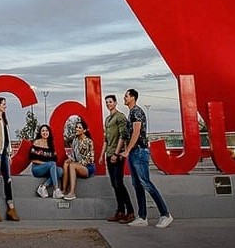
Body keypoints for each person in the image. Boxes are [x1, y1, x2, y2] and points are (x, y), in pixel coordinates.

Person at [120, 88, 173, 228]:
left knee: (146, 183)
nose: (124, 98)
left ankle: (165, 214)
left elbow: (136, 132)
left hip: (139, 152)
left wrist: (128, 150)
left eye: (126, 96)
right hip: (133, 153)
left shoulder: (137, 111)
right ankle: (142, 217)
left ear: (133, 97)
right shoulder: (131, 113)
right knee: (137, 185)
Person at [99, 94, 134, 223]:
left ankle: (130, 211)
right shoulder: (107, 119)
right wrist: (102, 155)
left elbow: (123, 136)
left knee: (119, 183)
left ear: (115, 103)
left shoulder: (120, 117)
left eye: (110, 101)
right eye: (106, 102)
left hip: (117, 155)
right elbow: (106, 140)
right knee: (114, 184)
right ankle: (120, 211)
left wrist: (116, 153)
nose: (108, 104)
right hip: (109, 154)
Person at [62, 118, 95, 200]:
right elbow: (73, 155)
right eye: (76, 127)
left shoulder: (88, 141)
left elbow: (91, 158)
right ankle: (63, 190)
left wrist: (78, 163)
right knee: (66, 163)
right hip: (77, 165)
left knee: (72, 166)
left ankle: (72, 193)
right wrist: (70, 159)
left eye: (80, 128)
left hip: (88, 167)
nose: (77, 129)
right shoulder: (75, 140)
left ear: (84, 130)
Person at [29, 124, 64, 198]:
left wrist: (49, 165)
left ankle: (43, 187)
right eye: (43, 131)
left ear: (49, 132)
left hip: (47, 169)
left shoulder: (50, 144)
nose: (45, 132)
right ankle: (56, 190)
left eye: (46, 131)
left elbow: (55, 159)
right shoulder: (37, 142)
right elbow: (32, 159)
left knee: (60, 171)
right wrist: (46, 164)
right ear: (40, 133)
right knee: (52, 164)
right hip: (37, 169)